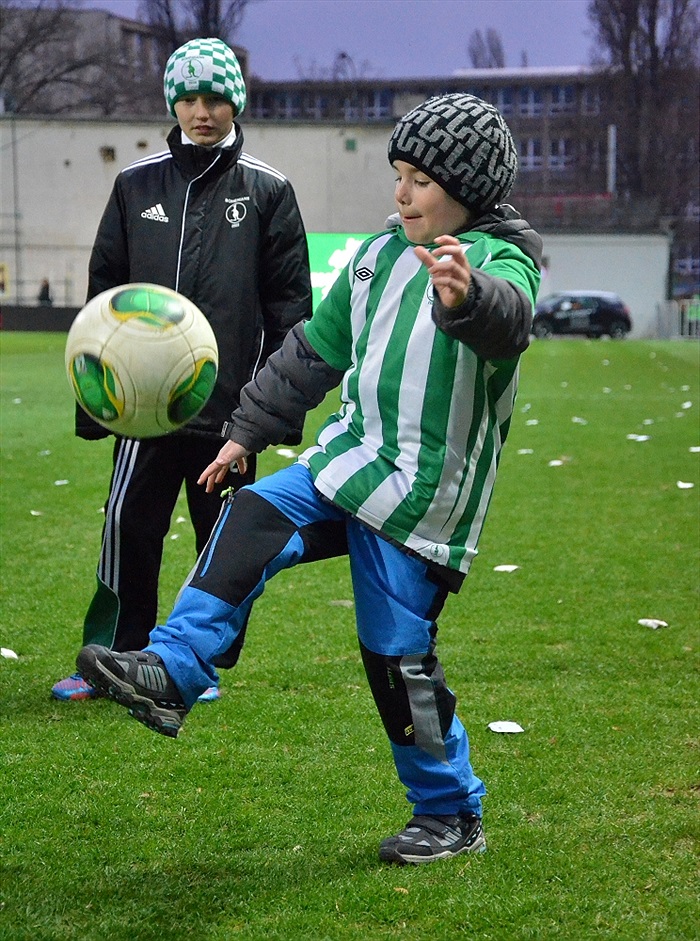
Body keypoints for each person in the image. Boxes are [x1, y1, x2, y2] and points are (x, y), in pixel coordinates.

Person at [77, 93, 542, 865]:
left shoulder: (497, 262)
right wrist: (243, 432)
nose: (401, 193)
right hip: (345, 463)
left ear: (470, 187)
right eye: (397, 174)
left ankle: (451, 812)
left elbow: (510, 319)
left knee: (395, 655)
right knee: (254, 508)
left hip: (420, 497)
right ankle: (174, 667)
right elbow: (308, 356)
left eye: (420, 180)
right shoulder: (375, 255)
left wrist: (466, 297)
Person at [53, 38, 311, 703]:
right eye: (190, 98)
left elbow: (290, 308)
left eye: (216, 98)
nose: (202, 111)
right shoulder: (135, 184)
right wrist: (96, 403)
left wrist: (269, 412)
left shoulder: (269, 191)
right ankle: (112, 654)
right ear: (174, 102)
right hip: (144, 406)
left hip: (232, 413)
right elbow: (102, 298)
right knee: (126, 527)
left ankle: (194, 665)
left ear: (236, 102)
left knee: (224, 541)